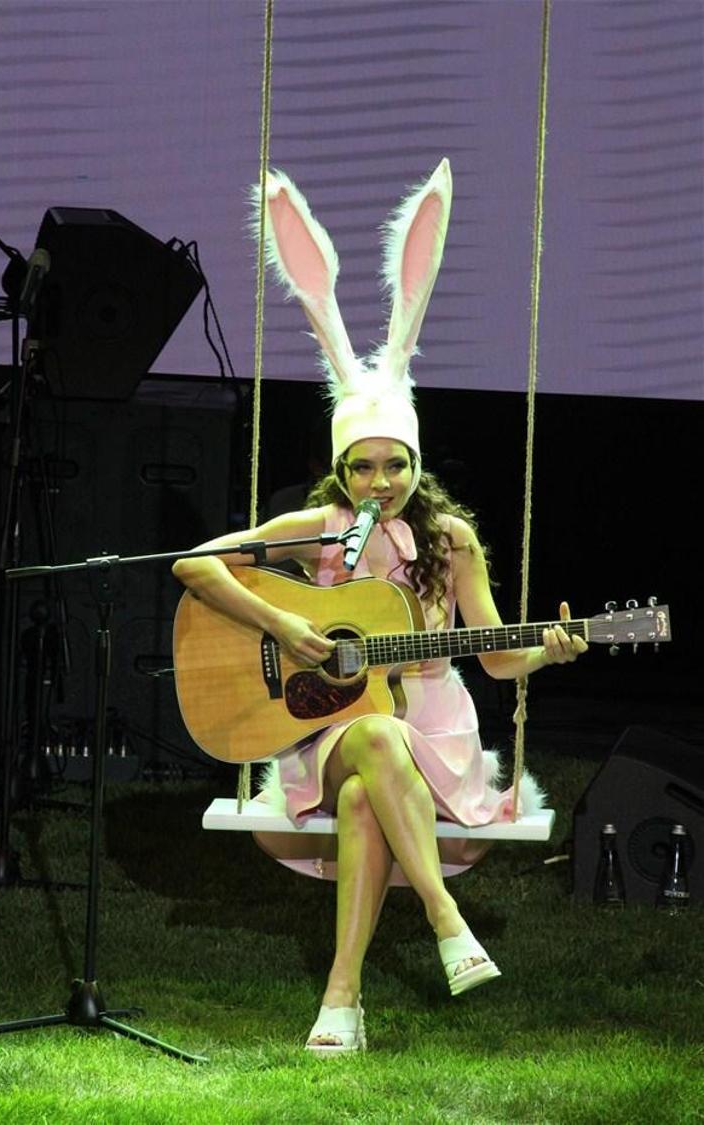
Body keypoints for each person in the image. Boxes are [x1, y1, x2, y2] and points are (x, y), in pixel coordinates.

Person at [173, 159, 587, 1054]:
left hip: (433, 734)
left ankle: (341, 997)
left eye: (394, 463)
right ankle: (446, 920)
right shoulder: (319, 528)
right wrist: (285, 625)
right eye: (362, 465)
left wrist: (547, 650)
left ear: (415, 462)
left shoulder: (452, 540)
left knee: (368, 792)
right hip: (334, 724)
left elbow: (495, 654)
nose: (380, 480)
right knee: (369, 736)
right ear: (341, 467)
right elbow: (194, 565)